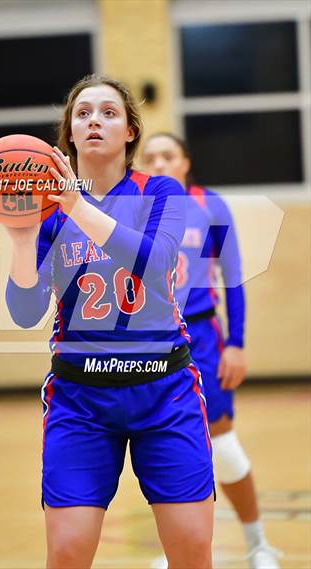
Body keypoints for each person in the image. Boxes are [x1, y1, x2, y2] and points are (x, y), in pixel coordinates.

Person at [5, 76, 214, 569]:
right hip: (81, 400)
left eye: (108, 112)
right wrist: (19, 238)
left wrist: (75, 204)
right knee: (68, 551)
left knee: (191, 549)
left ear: (130, 132)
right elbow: (25, 311)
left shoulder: (160, 191)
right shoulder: (48, 212)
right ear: (70, 136)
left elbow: (156, 260)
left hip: (164, 391)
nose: (94, 120)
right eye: (83, 114)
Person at [141, 132, 282, 569]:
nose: (160, 163)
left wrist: (236, 344)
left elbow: (233, 278)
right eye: (151, 157)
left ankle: (258, 543)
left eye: (169, 155)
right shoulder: (133, 208)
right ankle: (178, 551)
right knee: (166, 449)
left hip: (201, 337)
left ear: (185, 162)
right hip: (150, 341)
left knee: (222, 443)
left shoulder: (210, 206)